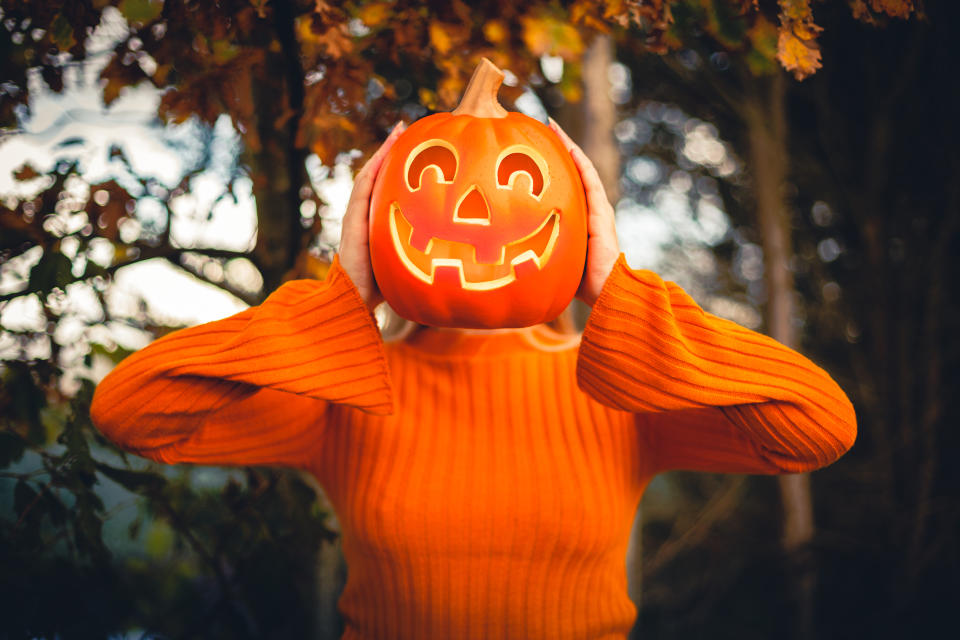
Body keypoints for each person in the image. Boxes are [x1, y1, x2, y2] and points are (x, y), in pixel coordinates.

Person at [90, 119, 856, 640]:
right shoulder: (347, 390)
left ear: (578, 220)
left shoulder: (620, 392)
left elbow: (818, 425)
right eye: (432, 179)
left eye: (523, 182)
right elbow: (134, 414)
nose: (475, 206)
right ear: (381, 217)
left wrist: (621, 292)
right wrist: (342, 301)